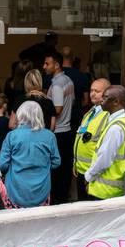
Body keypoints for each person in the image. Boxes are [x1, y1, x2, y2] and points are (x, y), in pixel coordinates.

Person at [0, 101, 62, 208]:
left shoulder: (12, 136)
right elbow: (56, 162)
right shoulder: (49, 136)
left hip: (15, 191)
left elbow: (2, 165)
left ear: (20, 115)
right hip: (42, 192)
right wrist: (43, 166)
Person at [82, 85, 125, 200]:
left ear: (116, 102)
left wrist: (88, 176)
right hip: (112, 190)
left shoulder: (115, 128)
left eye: (105, 98)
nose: (102, 100)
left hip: (103, 191)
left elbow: (104, 160)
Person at [42, 50, 75, 204]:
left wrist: (43, 105)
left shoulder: (57, 84)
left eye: (47, 64)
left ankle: (56, 201)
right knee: (64, 169)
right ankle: (62, 198)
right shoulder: (68, 80)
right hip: (67, 130)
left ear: (56, 65)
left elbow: (58, 109)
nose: (44, 67)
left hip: (58, 131)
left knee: (56, 171)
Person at [72, 78, 112, 201]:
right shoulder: (89, 113)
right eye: (91, 90)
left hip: (94, 174)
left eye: (97, 91)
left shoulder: (108, 116)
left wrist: (92, 175)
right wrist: (75, 162)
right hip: (81, 171)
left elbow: (105, 150)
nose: (92, 94)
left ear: (107, 93)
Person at [22, 69, 57, 133]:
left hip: (24, 140)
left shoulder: (20, 100)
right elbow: (52, 127)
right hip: (43, 140)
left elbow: (12, 124)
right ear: (40, 82)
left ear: (26, 83)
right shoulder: (49, 102)